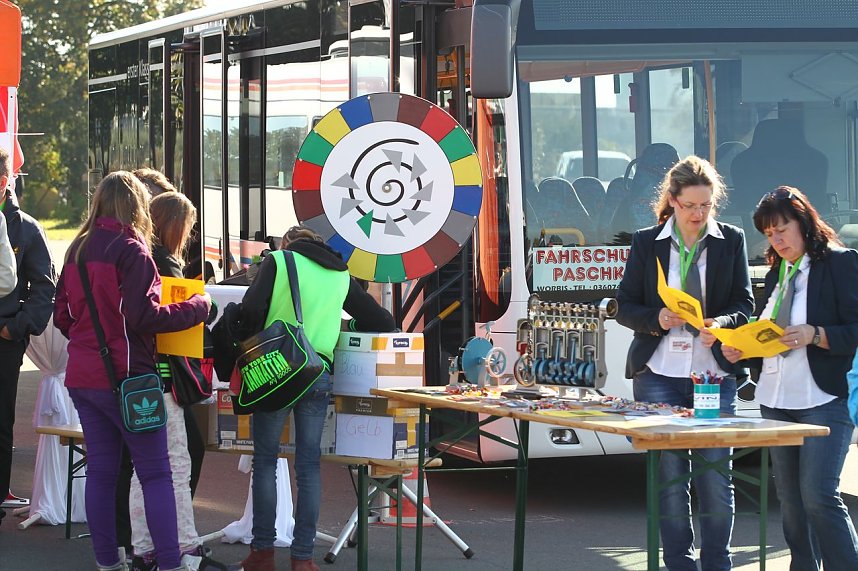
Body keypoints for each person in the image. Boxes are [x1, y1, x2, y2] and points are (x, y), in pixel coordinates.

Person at [54, 171, 211, 571]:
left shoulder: (76, 250)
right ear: (137, 205)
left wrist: (91, 339)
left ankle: (109, 562)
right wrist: (196, 307)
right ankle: (170, 562)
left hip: (84, 377)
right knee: (156, 473)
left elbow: (63, 317)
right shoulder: (133, 251)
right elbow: (145, 317)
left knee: (101, 473)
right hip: (130, 379)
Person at [616, 155, 753, 571]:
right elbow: (625, 306)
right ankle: (679, 563)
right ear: (672, 201)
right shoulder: (647, 242)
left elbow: (744, 303)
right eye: (690, 205)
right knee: (670, 480)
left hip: (712, 375)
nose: (698, 214)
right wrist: (656, 318)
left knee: (715, 477)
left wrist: (722, 324)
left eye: (706, 205)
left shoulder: (731, 239)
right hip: (658, 374)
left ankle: (718, 563)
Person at [231, 226, 395, 571]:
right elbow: (381, 320)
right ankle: (303, 558)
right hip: (317, 372)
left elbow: (251, 310)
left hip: (276, 368)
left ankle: (262, 553)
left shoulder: (278, 261)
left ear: (288, 245)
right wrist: (345, 329)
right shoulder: (340, 274)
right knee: (308, 467)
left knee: (265, 462)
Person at [721, 186, 858, 570]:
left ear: (804, 222)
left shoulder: (840, 263)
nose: (776, 240)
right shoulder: (778, 271)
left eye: (782, 229)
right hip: (776, 400)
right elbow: (771, 333)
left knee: (819, 496)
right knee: (792, 503)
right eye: (769, 234)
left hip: (824, 399)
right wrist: (743, 349)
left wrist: (817, 334)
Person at [128, 191, 226, 571]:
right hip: (165, 379)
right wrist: (203, 306)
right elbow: (176, 317)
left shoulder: (133, 257)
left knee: (142, 470)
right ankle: (185, 547)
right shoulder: (166, 263)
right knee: (176, 465)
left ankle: (143, 548)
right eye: (187, 228)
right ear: (175, 226)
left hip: (133, 377)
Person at [0, 145, 54, 528]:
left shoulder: (27, 229)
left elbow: (44, 289)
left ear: (3, 182)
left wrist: (15, 327)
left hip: (5, 339)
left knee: (1, 421)